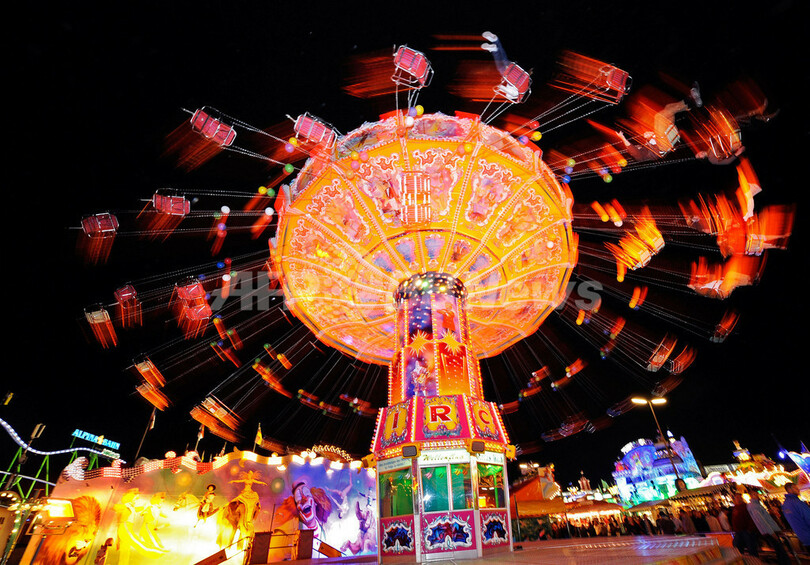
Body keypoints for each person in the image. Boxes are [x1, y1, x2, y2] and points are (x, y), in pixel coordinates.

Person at [747, 491, 789, 564]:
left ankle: (783, 562)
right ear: (751, 496)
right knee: (780, 549)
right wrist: (771, 532)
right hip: (769, 531)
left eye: (756, 494)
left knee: (779, 549)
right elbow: (761, 520)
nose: (756, 495)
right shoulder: (754, 506)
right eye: (754, 494)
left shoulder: (757, 505)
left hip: (770, 530)